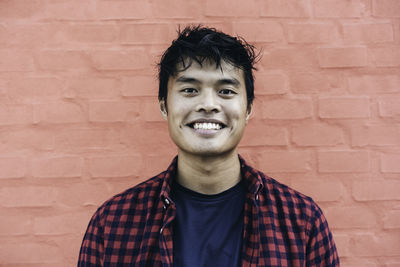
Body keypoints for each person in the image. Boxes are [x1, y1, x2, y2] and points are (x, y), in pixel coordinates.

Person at [78, 25, 339, 267]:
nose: (208, 104)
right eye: (190, 90)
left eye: (226, 91)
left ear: (248, 109)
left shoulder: (302, 221)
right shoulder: (112, 223)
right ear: (163, 106)